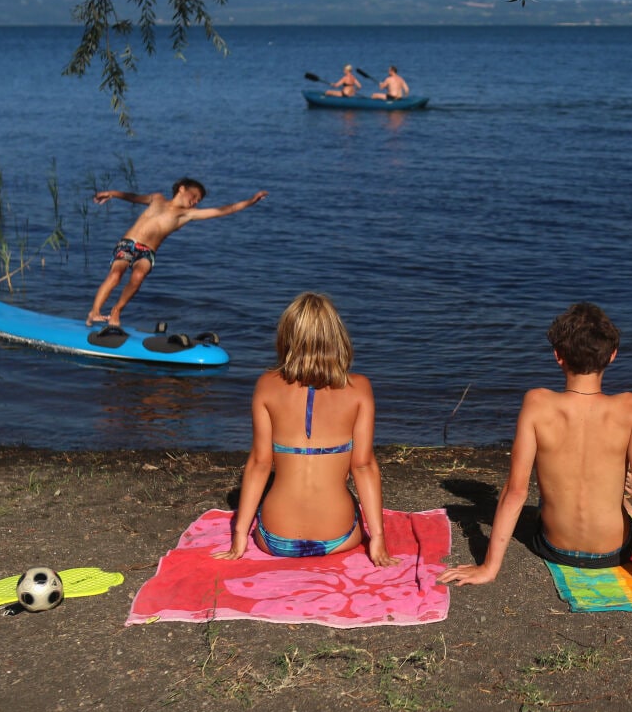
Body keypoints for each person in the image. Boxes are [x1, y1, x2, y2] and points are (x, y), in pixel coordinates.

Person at [438, 302, 632, 599]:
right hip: (614, 553)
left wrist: (488, 567)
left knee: (545, 497)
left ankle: (619, 500)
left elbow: (515, 491)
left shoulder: (536, 404)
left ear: (558, 356)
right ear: (612, 356)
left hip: (554, 548)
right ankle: (623, 501)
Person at [213, 292, 399, 566]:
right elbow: (363, 466)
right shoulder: (359, 389)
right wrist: (378, 539)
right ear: (337, 338)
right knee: (346, 484)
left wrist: (239, 536)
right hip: (339, 536)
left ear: (286, 338)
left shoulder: (266, 385)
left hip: (274, 538)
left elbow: (259, 463)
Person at [86, 178, 268, 326]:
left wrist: (251, 201)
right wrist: (112, 194)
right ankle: (94, 312)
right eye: (195, 196)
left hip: (147, 252)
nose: (196, 201)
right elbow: (133, 197)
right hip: (128, 243)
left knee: (138, 276)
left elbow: (222, 210)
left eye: (199, 200)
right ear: (182, 189)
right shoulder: (157, 199)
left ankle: (116, 310)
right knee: (116, 274)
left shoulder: (187, 214)